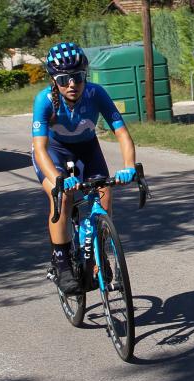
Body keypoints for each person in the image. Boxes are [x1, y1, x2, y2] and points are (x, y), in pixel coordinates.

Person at [32, 42, 136, 294]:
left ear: (84, 76)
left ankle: (99, 257)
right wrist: (58, 178)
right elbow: (40, 149)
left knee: (104, 193)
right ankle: (62, 262)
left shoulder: (95, 93)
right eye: (64, 78)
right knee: (63, 198)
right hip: (53, 155)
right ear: (53, 79)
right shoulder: (44, 101)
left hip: (87, 150)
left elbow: (122, 133)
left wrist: (129, 166)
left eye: (78, 77)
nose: (72, 84)